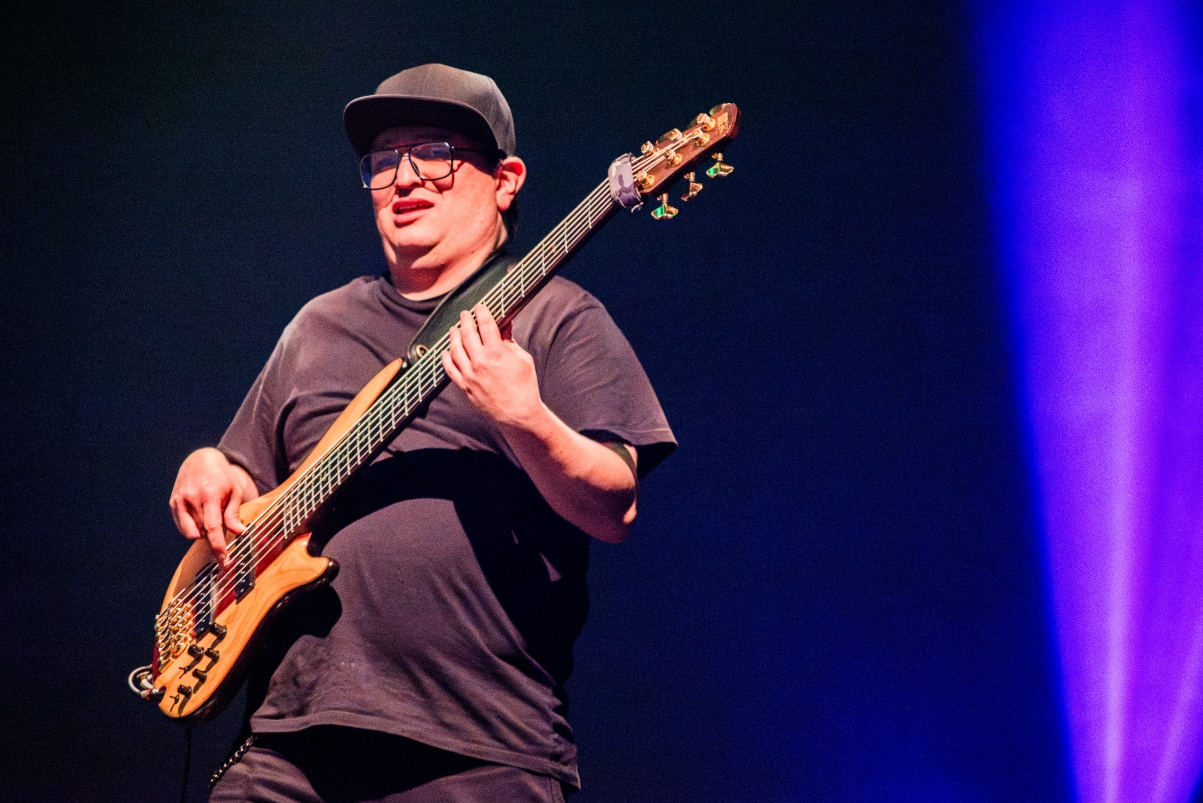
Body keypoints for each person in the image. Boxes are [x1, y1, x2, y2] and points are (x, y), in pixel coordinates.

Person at [168, 64, 675, 802]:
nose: (404, 178)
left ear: (505, 181)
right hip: (288, 746)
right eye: (383, 161)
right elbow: (244, 476)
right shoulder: (318, 325)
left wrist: (526, 418)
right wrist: (210, 464)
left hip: (482, 750)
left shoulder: (561, 317)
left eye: (435, 153)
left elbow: (614, 507)